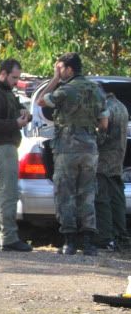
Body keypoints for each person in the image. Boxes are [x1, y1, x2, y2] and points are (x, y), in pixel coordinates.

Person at [37, 53, 107, 255]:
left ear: (69, 69)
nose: (58, 71)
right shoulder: (96, 90)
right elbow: (104, 123)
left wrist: (55, 79)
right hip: (89, 149)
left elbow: (42, 102)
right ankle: (88, 243)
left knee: (65, 193)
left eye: (60, 68)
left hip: (67, 149)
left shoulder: (65, 91)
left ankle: (69, 242)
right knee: (87, 194)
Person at [0, 59, 32, 252]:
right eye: (14, 77)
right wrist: (15, 124)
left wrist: (25, 114)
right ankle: (8, 237)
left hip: (6, 145)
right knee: (7, 192)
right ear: (3, 73)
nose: (16, 82)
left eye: (18, 78)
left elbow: (13, 112)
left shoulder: (6, 91)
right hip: (0, 147)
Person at [94, 84, 129, 252]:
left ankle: (104, 238)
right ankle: (120, 235)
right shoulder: (121, 105)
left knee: (102, 199)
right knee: (117, 198)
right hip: (118, 159)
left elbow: (103, 131)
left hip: (103, 160)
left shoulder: (105, 107)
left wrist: (92, 143)